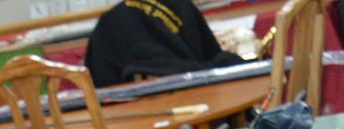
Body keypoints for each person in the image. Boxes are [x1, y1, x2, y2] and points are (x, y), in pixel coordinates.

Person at [84, 0, 247, 89]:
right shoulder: (182, 6)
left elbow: (99, 79)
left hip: (124, 118)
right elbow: (211, 56)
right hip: (197, 95)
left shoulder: (109, 19)